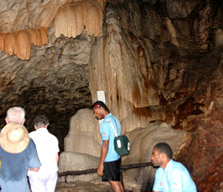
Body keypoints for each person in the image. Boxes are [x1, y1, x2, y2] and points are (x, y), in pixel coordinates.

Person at [0, 106, 41, 192]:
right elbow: (36, 168)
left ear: (6, 120)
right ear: (23, 122)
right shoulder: (29, 142)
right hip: (20, 188)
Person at [92, 101, 124, 192]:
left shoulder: (105, 124)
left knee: (114, 184)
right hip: (117, 156)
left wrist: (101, 164)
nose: (95, 115)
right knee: (117, 182)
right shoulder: (114, 119)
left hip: (109, 158)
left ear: (101, 109)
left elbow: (105, 145)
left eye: (95, 112)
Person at [28, 115, 60, 192]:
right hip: (51, 171)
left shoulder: (29, 136)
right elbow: (56, 157)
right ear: (46, 126)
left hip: (36, 171)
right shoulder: (53, 138)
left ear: (35, 126)